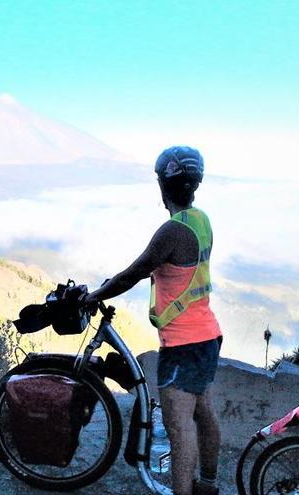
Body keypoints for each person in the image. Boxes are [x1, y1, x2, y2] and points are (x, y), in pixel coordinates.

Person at [82, 146, 222, 495]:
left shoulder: (171, 231)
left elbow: (133, 272)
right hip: (207, 336)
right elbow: (177, 271)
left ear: (163, 186)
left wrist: (95, 296)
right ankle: (208, 484)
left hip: (184, 343)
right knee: (202, 410)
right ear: (194, 186)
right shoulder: (201, 220)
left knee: (180, 428)